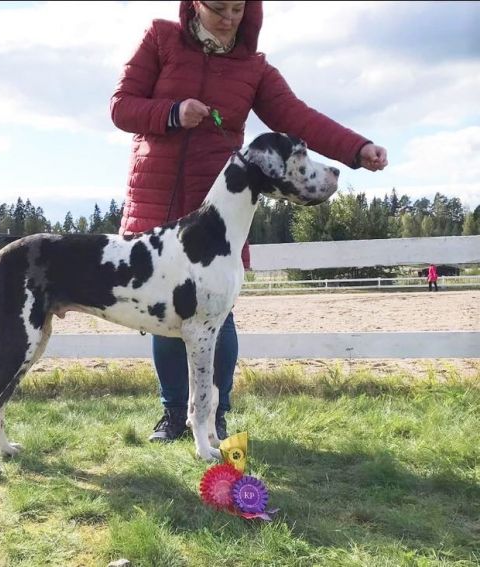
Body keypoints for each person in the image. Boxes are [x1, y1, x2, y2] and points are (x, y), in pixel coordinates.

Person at [110, 0, 388, 443]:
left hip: (221, 208)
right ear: (194, 4)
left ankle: (214, 415)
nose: (228, 19)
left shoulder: (254, 68)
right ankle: (173, 415)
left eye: (237, 9)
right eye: (218, 8)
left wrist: (357, 148)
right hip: (158, 198)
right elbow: (122, 107)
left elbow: (299, 117)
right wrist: (172, 112)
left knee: (219, 315)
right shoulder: (160, 39)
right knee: (166, 314)